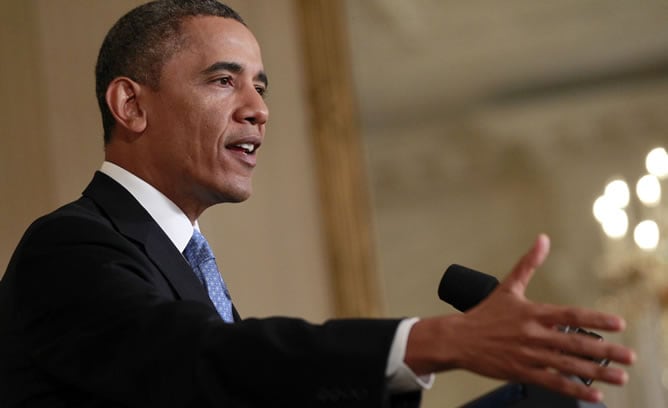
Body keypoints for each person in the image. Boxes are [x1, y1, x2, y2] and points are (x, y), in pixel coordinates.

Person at [0, 1, 635, 407]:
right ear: (131, 105)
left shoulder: (182, 259)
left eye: (261, 86)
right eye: (223, 80)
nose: (259, 108)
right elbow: (205, 363)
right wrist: (433, 341)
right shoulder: (70, 248)